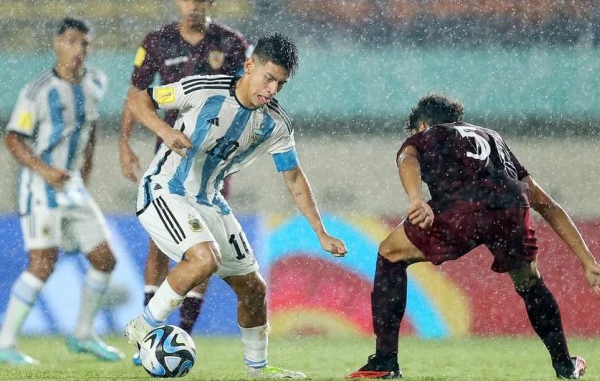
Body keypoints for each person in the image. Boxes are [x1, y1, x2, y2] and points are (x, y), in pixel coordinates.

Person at [124, 33, 347, 378]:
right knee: (204, 259)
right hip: (166, 189)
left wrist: (321, 232)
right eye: (268, 78)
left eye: (281, 84)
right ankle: (141, 327)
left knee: (253, 289)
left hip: (210, 200)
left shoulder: (274, 123)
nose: (272, 90)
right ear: (248, 66)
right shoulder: (202, 89)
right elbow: (140, 99)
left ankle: (258, 372)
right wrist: (164, 131)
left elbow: (293, 178)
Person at [346, 94, 600, 380]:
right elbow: (544, 202)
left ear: (422, 124)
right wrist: (587, 262)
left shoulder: (427, 134)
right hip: (512, 206)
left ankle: (385, 361)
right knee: (529, 281)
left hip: (462, 206)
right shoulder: (492, 137)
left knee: (390, 253)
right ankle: (565, 365)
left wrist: (416, 199)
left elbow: (407, 159)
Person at [118, 0, 251, 353]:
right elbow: (136, 96)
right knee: (159, 243)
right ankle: (147, 335)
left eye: (200, 0)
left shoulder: (232, 44)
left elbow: (246, 94)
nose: (192, 7)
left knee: (205, 243)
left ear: (211, 3)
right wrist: (124, 144)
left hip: (211, 158)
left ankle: (184, 331)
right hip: (170, 150)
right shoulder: (157, 41)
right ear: (177, 0)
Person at [0, 17, 124, 365]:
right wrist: (45, 170)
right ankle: (6, 343)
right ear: (57, 44)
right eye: (71, 41)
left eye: (84, 43)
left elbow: (93, 127)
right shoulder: (38, 91)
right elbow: (13, 137)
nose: (78, 50)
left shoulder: (95, 83)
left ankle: (82, 334)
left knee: (104, 259)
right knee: (42, 264)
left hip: (73, 188)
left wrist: (86, 168)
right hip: (41, 188)